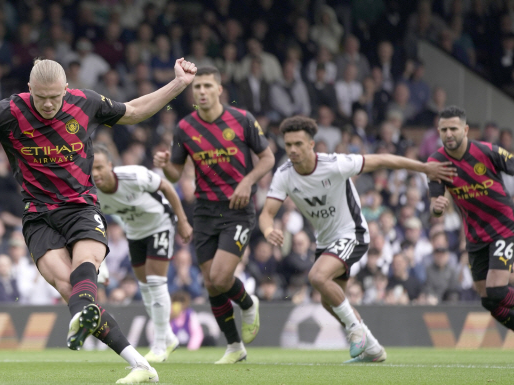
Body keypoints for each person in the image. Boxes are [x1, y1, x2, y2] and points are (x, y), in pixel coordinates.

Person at [0, 57, 198, 384]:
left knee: (85, 266)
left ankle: (99, 329)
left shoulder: (86, 101)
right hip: (38, 216)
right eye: (40, 96)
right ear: (29, 89)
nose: (47, 104)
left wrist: (178, 84)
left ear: (66, 89)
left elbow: (134, 111)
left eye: (54, 97)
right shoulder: (8, 111)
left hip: (81, 207)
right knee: (68, 287)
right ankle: (139, 363)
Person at [258, 116, 455, 362]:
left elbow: (384, 159)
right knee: (330, 303)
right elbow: (266, 214)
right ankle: (373, 349)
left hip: (353, 233)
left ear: (311, 144)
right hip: (326, 241)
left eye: (298, 144)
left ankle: (355, 331)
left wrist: (424, 168)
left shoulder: (335, 164)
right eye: (288, 145)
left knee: (317, 277)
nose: (293, 150)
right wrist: (268, 231)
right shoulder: (284, 174)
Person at [154, 65, 274, 364]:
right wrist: (164, 163)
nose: (202, 91)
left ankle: (248, 303)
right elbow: (175, 172)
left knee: (221, 277)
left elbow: (268, 157)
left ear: (219, 89)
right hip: (205, 211)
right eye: (197, 87)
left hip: (237, 208)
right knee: (210, 282)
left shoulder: (242, 120)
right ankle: (234, 347)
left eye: (207, 86)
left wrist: (247, 181)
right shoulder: (185, 128)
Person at [92, 145, 193, 362]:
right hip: (135, 232)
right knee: (146, 287)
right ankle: (168, 336)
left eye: (99, 167)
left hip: (161, 223)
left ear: (110, 165)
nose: (95, 173)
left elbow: (166, 187)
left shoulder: (133, 175)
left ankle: (159, 345)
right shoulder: (92, 194)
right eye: (91, 169)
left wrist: (182, 221)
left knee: (156, 282)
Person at [429, 106, 514, 331]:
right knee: (488, 299)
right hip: (475, 236)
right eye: (444, 129)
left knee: (497, 290)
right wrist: (437, 208)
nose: (448, 134)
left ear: (465, 130)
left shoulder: (488, 151)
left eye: (453, 129)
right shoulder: (435, 162)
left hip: (504, 226)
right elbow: (434, 205)